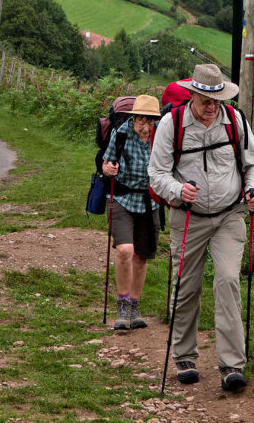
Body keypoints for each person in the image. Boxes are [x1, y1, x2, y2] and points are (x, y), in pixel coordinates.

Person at [148, 63, 254, 392]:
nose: (212, 107)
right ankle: (185, 356)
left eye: (217, 100)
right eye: (205, 100)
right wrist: (176, 190)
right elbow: (156, 173)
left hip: (229, 215)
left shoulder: (235, 121)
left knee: (228, 280)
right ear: (193, 97)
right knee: (186, 287)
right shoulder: (171, 125)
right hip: (188, 217)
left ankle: (231, 365)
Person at [100, 95, 162, 333]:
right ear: (133, 118)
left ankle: (135, 307)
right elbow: (105, 164)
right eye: (141, 121)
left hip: (150, 201)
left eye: (150, 122)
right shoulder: (122, 133)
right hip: (122, 197)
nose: (145, 128)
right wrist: (109, 168)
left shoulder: (160, 136)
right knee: (126, 250)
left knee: (141, 255)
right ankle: (123, 305)